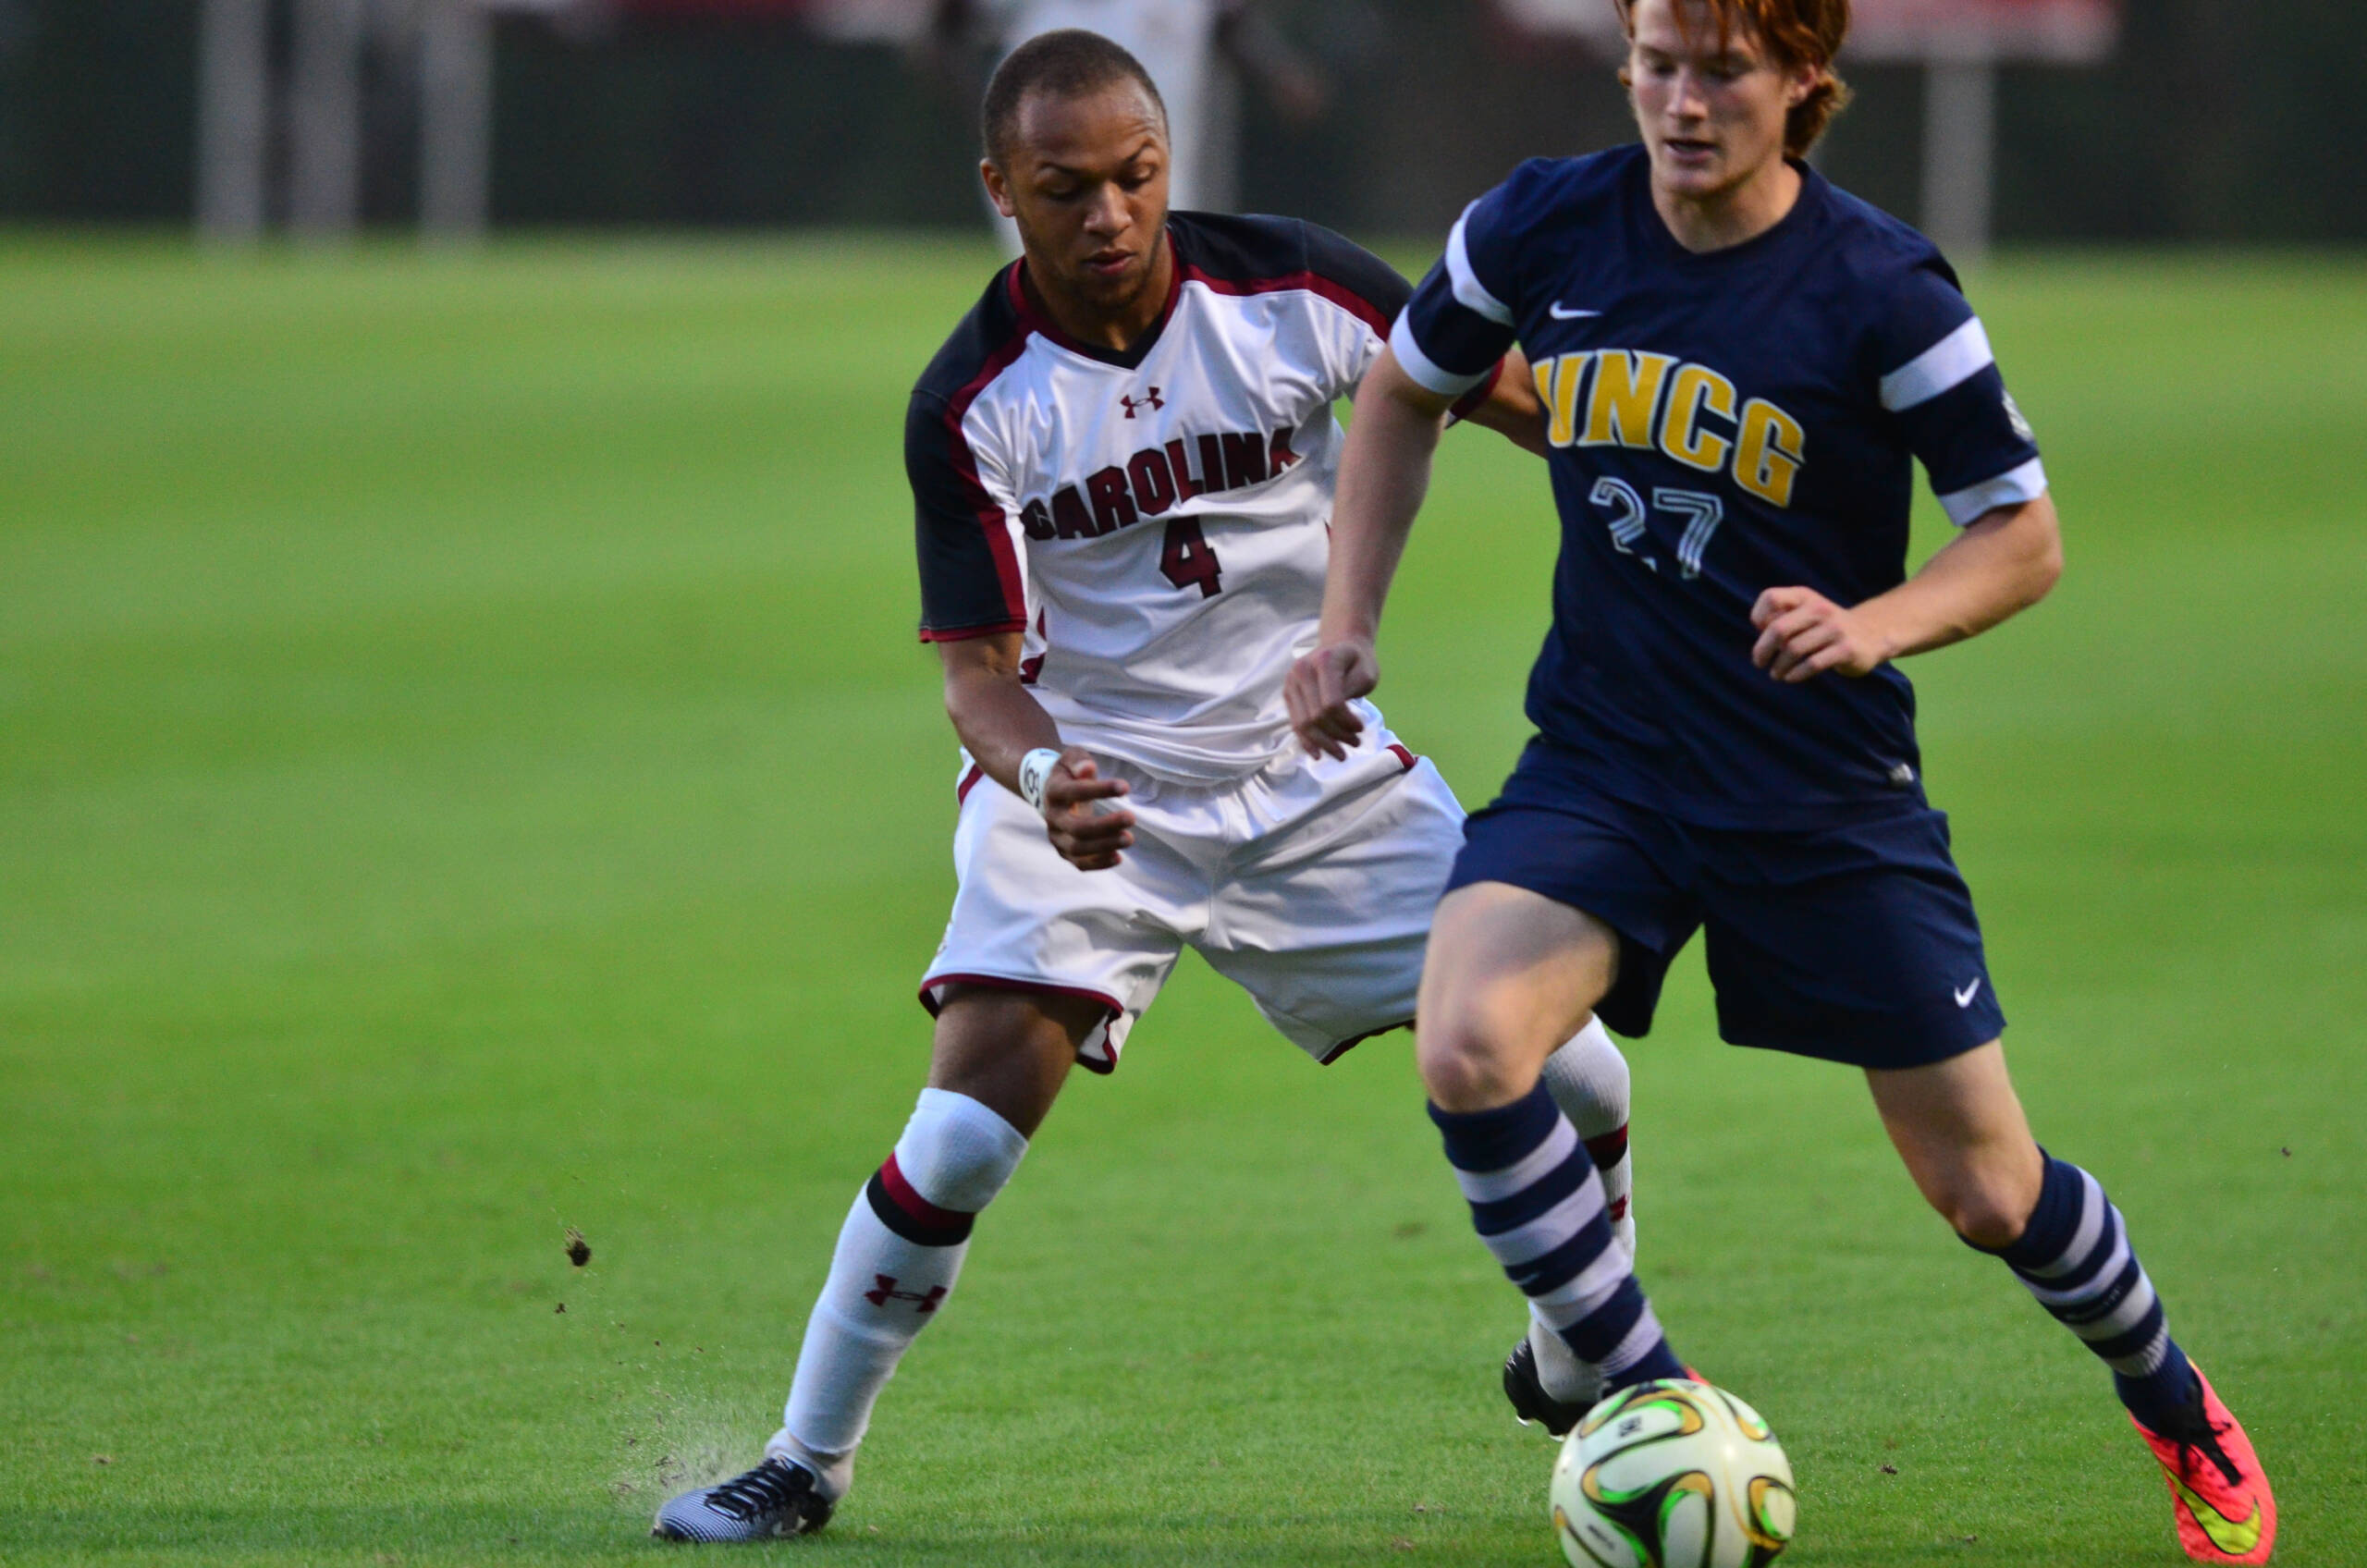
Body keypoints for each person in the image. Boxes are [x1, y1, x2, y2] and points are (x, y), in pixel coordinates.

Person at [1284, 0, 2276, 1562]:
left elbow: (2022, 535)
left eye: (1722, 73)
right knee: (1469, 1042)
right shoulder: (1542, 222)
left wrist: (1869, 623)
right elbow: (1406, 387)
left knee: (1986, 1190)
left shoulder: (1881, 288)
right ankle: (1644, 1392)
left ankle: (2174, 1403)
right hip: (1606, 760)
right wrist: (1347, 624)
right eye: (1658, 64)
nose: (1682, 103)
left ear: (1802, 87)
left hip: (1820, 795)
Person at [652, 29, 1635, 1543]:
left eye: (1136, 176)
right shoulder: (973, 399)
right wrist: (1044, 774)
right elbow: (977, 674)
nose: (1108, 213)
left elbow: (1520, 400)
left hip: (1315, 778)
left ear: (1168, 161)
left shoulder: (1299, 284)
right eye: (1064, 188)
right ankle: (806, 1459)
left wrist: (1696, 481)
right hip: (1094, 797)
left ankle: (1582, 1352)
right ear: (1001, 189)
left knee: (1576, 1068)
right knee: (966, 1130)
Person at [926, 0, 1327, 245]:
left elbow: (1230, 24)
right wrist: (988, 117)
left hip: (1161, 181)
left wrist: (1281, 75)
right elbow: (940, 32)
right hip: (1052, 181)